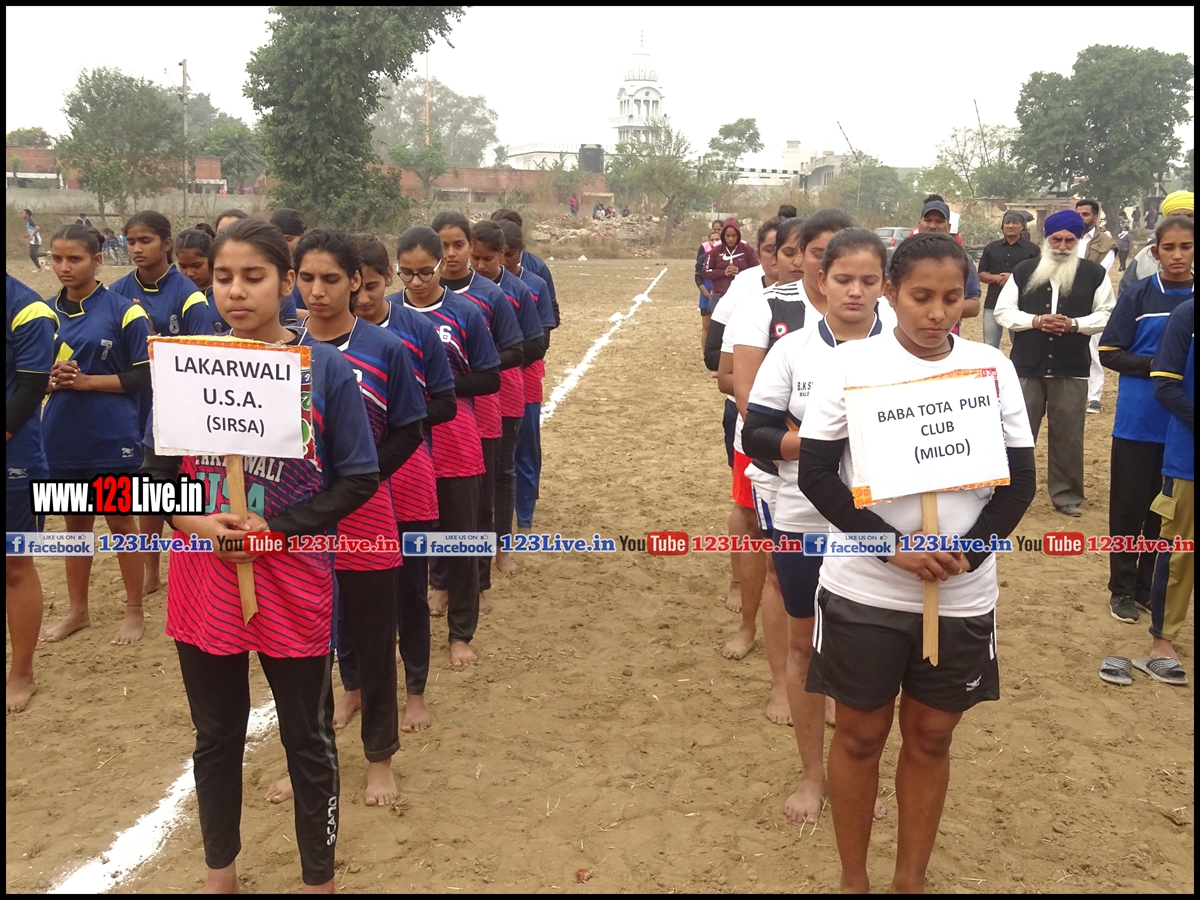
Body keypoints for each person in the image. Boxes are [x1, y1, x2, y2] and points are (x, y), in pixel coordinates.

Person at [140, 217, 378, 892]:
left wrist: (278, 527)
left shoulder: (324, 368)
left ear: (286, 282)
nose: (236, 291)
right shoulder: (184, 364)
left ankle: (318, 880)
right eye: (223, 278)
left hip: (292, 579)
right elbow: (153, 476)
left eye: (253, 276)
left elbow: (358, 477)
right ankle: (222, 876)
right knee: (216, 734)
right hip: (204, 577)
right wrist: (196, 520)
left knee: (307, 737)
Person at [799, 231, 1036, 893]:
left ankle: (911, 881)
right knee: (859, 735)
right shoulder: (851, 366)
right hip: (865, 591)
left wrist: (967, 552)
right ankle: (854, 879)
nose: (936, 313)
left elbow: (1019, 483)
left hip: (960, 593)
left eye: (952, 299)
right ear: (891, 293)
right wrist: (890, 546)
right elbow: (817, 474)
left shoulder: (991, 368)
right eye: (921, 297)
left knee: (932, 735)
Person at [741, 228, 893, 826]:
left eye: (868, 280)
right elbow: (756, 436)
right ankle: (812, 776)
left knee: (866, 656)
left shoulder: (907, 350)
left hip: (882, 524)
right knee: (803, 646)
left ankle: (861, 776)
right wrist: (816, 443)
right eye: (843, 279)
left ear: (885, 286)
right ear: (821, 280)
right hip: (804, 519)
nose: (855, 291)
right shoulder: (793, 351)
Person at [288, 228, 426, 807]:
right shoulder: (280, 350)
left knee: (373, 641)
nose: (317, 291)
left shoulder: (384, 348)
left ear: (355, 282)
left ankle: (379, 760)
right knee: (304, 650)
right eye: (307, 278)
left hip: (366, 517)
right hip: (296, 523)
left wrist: (358, 477)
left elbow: (409, 428)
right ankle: (308, 762)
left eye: (331, 279)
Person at [350, 233, 457, 732]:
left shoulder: (415, 331)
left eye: (371, 286)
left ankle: (415, 692)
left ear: (386, 278)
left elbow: (445, 402)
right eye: (354, 288)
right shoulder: (316, 341)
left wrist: (397, 420)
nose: (362, 299)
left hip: (408, 474)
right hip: (345, 487)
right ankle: (353, 687)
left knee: (410, 589)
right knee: (346, 595)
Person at [387, 225, 500, 668]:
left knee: (462, 540)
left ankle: (460, 634)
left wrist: (437, 388)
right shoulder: (388, 313)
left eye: (425, 272)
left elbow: (489, 377)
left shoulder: (465, 312)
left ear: (441, 266)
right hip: (404, 448)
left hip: (455, 441)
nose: (416, 281)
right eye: (407, 272)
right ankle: (407, 629)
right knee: (407, 546)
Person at [39, 225, 152, 645]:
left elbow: (145, 376)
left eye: (75, 258)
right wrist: (50, 380)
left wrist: (87, 382)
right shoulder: (42, 315)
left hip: (113, 436)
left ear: (97, 260)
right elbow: (28, 378)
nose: (64, 267)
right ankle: (78, 611)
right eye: (57, 258)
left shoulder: (125, 312)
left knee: (120, 521)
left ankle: (135, 609)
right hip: (61, 435)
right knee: (75, 524)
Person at [110, 210, 213, 597]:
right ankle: (150, 569)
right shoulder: (118, 292)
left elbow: (203, 354)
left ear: (165, 243)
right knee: (145, 490)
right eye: (131, 241)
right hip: (132, 402)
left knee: (175, 485)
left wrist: (158, 345)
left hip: (177, 405)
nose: (137, 248)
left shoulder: (188, 295)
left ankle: (185, 564)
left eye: (145, 240)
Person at [1097, 216, 1194, 624]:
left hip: (1183, 425)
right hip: (1138, 421)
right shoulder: (1138, 295)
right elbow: (1109, 352)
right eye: (1169, 248)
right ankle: (1120, 588)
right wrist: (1158, 365)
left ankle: (1146, 587)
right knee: (1128, 507)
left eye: (1186, 246)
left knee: (1164, 511)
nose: (1177, 255)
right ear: (1155, 252)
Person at [994, 209, 1115, 516]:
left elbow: (1107, 313)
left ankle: (1067, 496)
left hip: (1071, 368)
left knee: (1068, 437)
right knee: (1017, 433)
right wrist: (1035, 321)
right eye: (1056, 239)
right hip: (1027, 366)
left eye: (1069, 240)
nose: (1062, 246)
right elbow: (1002, 311)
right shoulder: (1024, 270)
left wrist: (1074, 325)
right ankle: (1009, 494)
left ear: (1078, 240)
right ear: (1046, 239)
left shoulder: (1094, 274)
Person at [432, 213, 520, 616]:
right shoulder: (415, 299)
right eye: (443, 245)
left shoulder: (489, 296)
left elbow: (515, 349)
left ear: (470, 246)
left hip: (478, 419)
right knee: (434, 508)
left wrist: (465, 373)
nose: (450, 254)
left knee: (478, 507)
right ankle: (440, 583)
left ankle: (478, 583)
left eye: (458, 245)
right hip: (428, 423)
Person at [705, 219, 778, 614]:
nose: (785, 260)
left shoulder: (831, 305)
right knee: (747, 506)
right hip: (751, 422)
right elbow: (716, 363)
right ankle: (740, 582)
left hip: (809, 432)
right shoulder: (748, 294)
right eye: (773, 250)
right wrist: (768, 396)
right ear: (761, 253)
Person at [469, 219, 542, 584]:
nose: (480, 265)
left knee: (502, 471)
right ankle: (465, 554)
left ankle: (501, 548)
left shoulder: (517, 292)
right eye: (476, 257)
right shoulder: (456, 291)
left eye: (488, 258)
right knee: (469, 476)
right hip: (467, 396)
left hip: (506, 394)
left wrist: (489, 360)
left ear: (503, 255)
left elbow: (534, 343)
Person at [6, 274, 57, 713]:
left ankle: (21, 672)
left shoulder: (27, 309)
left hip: (14, 461)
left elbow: (31, 387)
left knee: (14, 565)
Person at [1144, 297, 1194, 681]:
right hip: (1188, 459)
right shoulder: (1187, 315)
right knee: (1180, 550)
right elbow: (1165, 385)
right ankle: (1162, 641)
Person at [497, 220, 556, 537]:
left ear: (521, 252)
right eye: (499, 253)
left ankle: (525, 520)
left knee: (525, 449)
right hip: (489, 385)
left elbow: (541, 340)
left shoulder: (534, 285)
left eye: (510, 253)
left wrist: (506, 359)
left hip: (526, 379)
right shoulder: (476, 287)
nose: (504, 260)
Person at [1074, 199, 1119, 415]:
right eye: (1078, 214)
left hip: (1093, 301)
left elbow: (1099, 274)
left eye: (1085, 214)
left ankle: (1094, 397)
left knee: (1093, 350)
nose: (1081, 218)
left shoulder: (1107, 244)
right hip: (1064, 300)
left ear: (1095, 216)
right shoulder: (1068, 237)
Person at [976, 210, 1039, 349]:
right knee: (990, 345)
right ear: (1002, 225)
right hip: (993, 302)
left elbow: (1037, 277)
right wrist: (996, 278)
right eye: (1007, 222)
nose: (1010, 226)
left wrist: (1013, 278)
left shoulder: (1032, 250)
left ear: (1023, 226)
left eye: (1015, 222)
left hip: (1020, 305)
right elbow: (981, 274)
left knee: (1020, 345)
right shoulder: (991, 248)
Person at [914, 197, 981, 324]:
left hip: (947, 330)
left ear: (949, 227)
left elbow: (974, 306)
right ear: (919, 224)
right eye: (927, 220)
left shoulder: (962, 259)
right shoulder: (904, 256)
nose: (932, 226)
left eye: (940, 221)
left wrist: (940, 309)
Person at [491, 209, 560, 329]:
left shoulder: (537, 269)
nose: (503, 261)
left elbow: (552, 315)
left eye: (510, 254)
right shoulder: (479, 275)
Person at [1119, 191, 1194, 298]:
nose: (1182, 221)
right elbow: (1126, 295)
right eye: (1175, 216)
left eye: (1190, 216)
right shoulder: (1146, 255)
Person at [703, 218, 759, 316]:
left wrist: (740, 273)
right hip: (719, 296)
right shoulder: (715, 251)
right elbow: (705, 272)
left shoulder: (747, 250)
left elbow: (757, 271)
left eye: (734, 235)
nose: (730, 239)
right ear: (723, 235)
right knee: (719, 326)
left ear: (738, 235)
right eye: (727, 236)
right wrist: (724, 272)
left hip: (742, 297)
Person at [271, 207, 310, 322]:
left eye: (289, 239)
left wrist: (291, 312)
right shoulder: (267, 269)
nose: (283, 244)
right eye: (279, 239)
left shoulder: (311, 268)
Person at [696, 228, 721, 351]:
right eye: (712, 240)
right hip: (706, 296)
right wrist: (708, 295)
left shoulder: (726, 258)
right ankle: (706, 354)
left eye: (717, 239)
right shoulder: (703, 258)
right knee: (706, 326)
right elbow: (698, 279)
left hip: (722, 296)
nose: (714, 242)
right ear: (709, 242)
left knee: (721, 327)